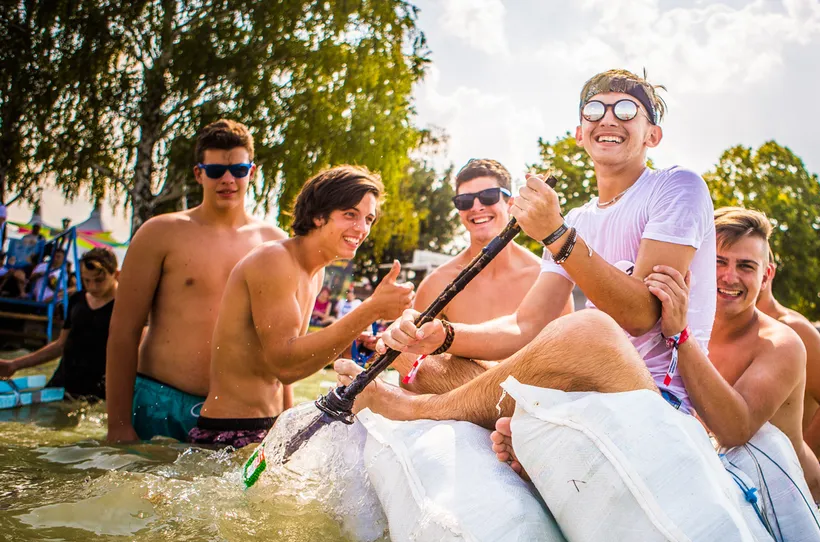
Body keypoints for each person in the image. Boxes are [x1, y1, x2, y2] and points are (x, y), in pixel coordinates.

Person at [334, 69, 716, 474]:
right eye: (594, 109)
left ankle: (412, 409)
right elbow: (525, 325)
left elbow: (641, 317)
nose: (608, 118)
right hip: (584, 396)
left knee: (589, 328)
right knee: (426, 364)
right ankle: (510, 425)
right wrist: (443, 336)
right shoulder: (579, 219)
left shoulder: (677, 187)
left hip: (652, 397)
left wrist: (554, 233)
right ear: (579, 133)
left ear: (652, 135)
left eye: (626, 109)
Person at [189, 165, 413, 449]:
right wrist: (371, 309)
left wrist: (286, 426)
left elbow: (289, 368)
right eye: (350, 214)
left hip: (269, 427)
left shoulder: (314, 271)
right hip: (227, 432)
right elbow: (285, 364)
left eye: (369, 218)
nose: (362, 228)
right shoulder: (274, 259)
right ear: (319, 215)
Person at [105, 119, 288, 442]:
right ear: (199, 173)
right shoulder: (159, 233)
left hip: (245, 412)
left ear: (252, 172)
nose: (228, 180)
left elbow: (282, 345)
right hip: (162, 404)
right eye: (216, 171)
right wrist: (118, 426)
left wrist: (286, 424)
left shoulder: (274, 243)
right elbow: (123, 331)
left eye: (239, 170)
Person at [652, 208, 820, 501]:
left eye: (746, 266)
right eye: (718, 262)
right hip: (729, 490)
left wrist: (681, 336)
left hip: (797, 510)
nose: (728, 276)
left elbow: (734, 430)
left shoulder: (782, 344)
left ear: (766, 275)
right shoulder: (670, 322)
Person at [393, 158, 573, 393]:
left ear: (510, 203)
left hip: (526, 408)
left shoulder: (545, 277)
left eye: (488, 196)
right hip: (453, 414)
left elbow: (565, 362)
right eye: (465, 201)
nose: (476, 207)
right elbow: (412, 370)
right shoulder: (438, 282)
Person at [756, 242, 820, 470]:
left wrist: (795, 468)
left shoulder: (791, 328)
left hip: (805, 472)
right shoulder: (726, 327)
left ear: (767, 272)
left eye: (746, 265)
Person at [0, 248, 119, 400]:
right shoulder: (77, 300)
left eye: (99, 280)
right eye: (86, 280)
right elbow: (61, 345)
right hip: (63, 384)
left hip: (97, 392)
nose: (92, 287)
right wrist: (14, 364)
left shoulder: (126, 307)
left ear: (116, 274)